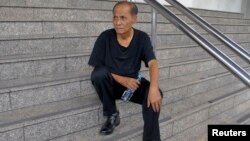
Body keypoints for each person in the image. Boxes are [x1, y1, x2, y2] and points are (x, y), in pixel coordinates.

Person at [88, 1, 163, 141]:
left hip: (133, 85)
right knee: (98, 74)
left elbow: (152, 63)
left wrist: (153, 87)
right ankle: (111, 115)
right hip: (110, 86)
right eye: (115, 17)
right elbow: (95, 68)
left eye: (123, 18)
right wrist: (121, 79)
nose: (118, 22)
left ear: (135, 19)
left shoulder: (142, 38)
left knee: (155, 95)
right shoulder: (105, 37)